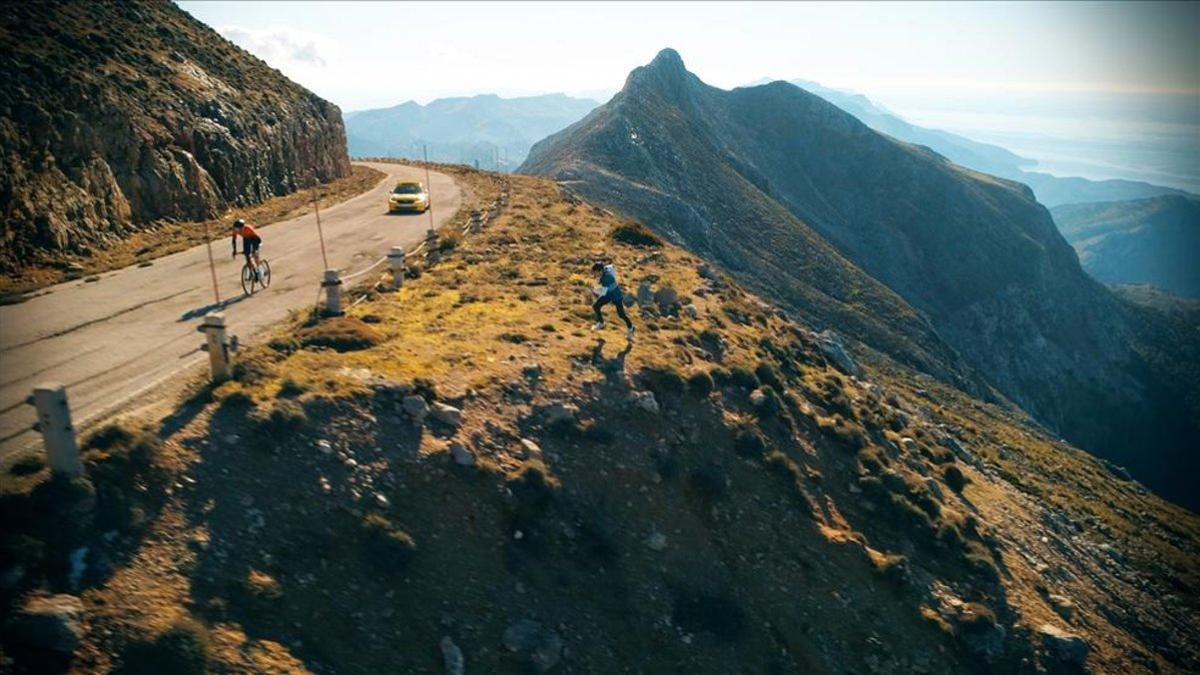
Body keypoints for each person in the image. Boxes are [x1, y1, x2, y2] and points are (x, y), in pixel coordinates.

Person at [591, 260, 634, 340]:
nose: (594, 274)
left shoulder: (606, 278)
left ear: (600, 271)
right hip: (609, 294)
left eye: (595, 272)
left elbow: (603, 292)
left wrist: (594, 290)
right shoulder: (605, 271)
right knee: (596, 306)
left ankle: (631, 328)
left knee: (621, 315)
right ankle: (601, 323)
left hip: (616, 296)